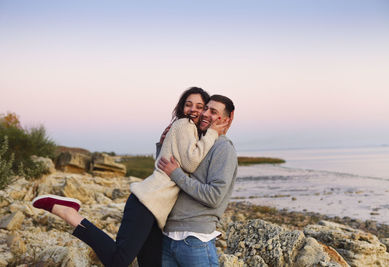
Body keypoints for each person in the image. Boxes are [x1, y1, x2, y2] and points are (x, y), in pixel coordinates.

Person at [31, 87, 229, 267]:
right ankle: (69, 213)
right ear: (181, 108)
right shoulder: (185, 124)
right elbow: (191, 163)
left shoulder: (190, 132)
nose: (194, 110)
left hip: (156, 212)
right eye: (188, 104)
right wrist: (212, 133)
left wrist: (165, 145)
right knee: (119, 260)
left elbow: (168, 161)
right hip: (146, 204)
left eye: (200, 106)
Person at [157, 94, 237, 267]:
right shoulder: (198, 143)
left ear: (227, 119)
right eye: (206, 108)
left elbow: (214, 196)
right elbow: (167, 175)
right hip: (168, 236)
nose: (205, 114)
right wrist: (163, 146)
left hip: (195, 240)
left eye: (213, 111)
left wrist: (177, 174)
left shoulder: (223, 148)